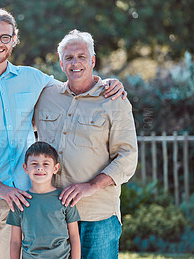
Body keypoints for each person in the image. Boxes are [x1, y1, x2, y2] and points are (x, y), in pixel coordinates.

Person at [0, 9, 125, 259]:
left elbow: (74, 87)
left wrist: (107, 82)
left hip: (22, 198)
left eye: (5, 37)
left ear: (14, 39)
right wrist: (0, 189)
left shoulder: (33, 79)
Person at [34, 29, 138, 259]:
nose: (75, 63)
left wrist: (90, 186)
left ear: (93, 60)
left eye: (81, 56)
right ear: (61, 64)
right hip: (54, 215)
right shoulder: (45, 97)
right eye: (69, 58)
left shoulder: (114, 100)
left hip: (97, 216)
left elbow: (127, 156)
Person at [6, 141, 81, 259]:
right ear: (25, 168)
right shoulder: (20, 202)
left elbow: (74, 237)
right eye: (34, 164)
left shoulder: (65, 198)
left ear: (55, 168)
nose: (40, 168)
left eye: (46, 164)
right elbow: (15, 241)